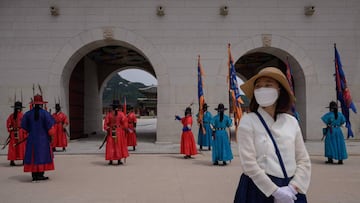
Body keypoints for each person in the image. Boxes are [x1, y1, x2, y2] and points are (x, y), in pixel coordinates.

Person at [234, 67, 311, 203]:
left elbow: (303, 160)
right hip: (258, 189)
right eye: (258, 86)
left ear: (279, 90)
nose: (262, 89)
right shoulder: (248, 120)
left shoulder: (291, 121)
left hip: (291, 189)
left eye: (268, 85)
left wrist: (293, 188)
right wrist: (275, 191)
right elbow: (249, 164)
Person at [21, 94, 55, 181]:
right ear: (41, 104)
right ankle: (40, 174)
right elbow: (50, 128)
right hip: (43, 138)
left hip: (32, 138)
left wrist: (31, 130)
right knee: (42, 155)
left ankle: (34, 175)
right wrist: (51, 136)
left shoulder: (28, 114)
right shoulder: (45, 113)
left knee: (33, 155)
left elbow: (24, 126)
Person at [103, 100, 129, 165]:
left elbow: (105, 124)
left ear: (112, 107)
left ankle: (110, 160)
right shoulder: (121, 114)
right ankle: (119, 160)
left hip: (111, 131)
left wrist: (108, 128)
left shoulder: (109, 114)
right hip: (119, 132)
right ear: (118, 107)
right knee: (118, 144)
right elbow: (125, 123)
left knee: (111, 145)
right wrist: (123, 129)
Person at [6, 101, 27, 166]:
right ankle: (15, 160)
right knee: (18, 146)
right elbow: (8, 123)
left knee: (19, 146)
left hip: (18, 132)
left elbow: (25, 124)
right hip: (17, 132)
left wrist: (11, 129)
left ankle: (22, 159)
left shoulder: (21, 115)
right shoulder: (21, 115)